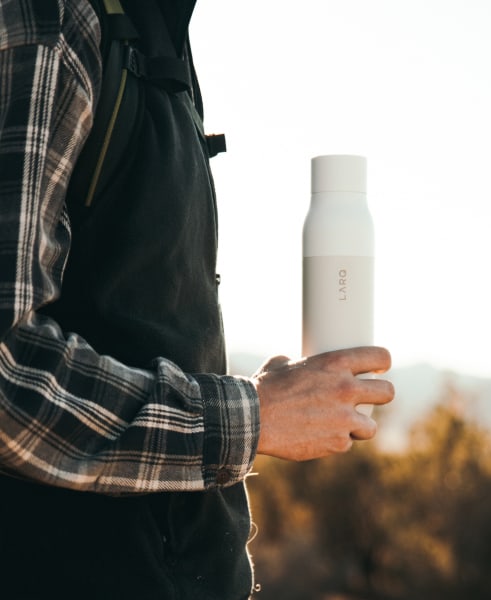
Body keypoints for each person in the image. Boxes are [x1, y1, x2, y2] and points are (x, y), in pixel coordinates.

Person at [0, 1, 394, 599]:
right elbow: (8, 375)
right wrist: (255, 416)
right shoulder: (55, 20)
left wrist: (262, 406)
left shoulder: (152, 34)